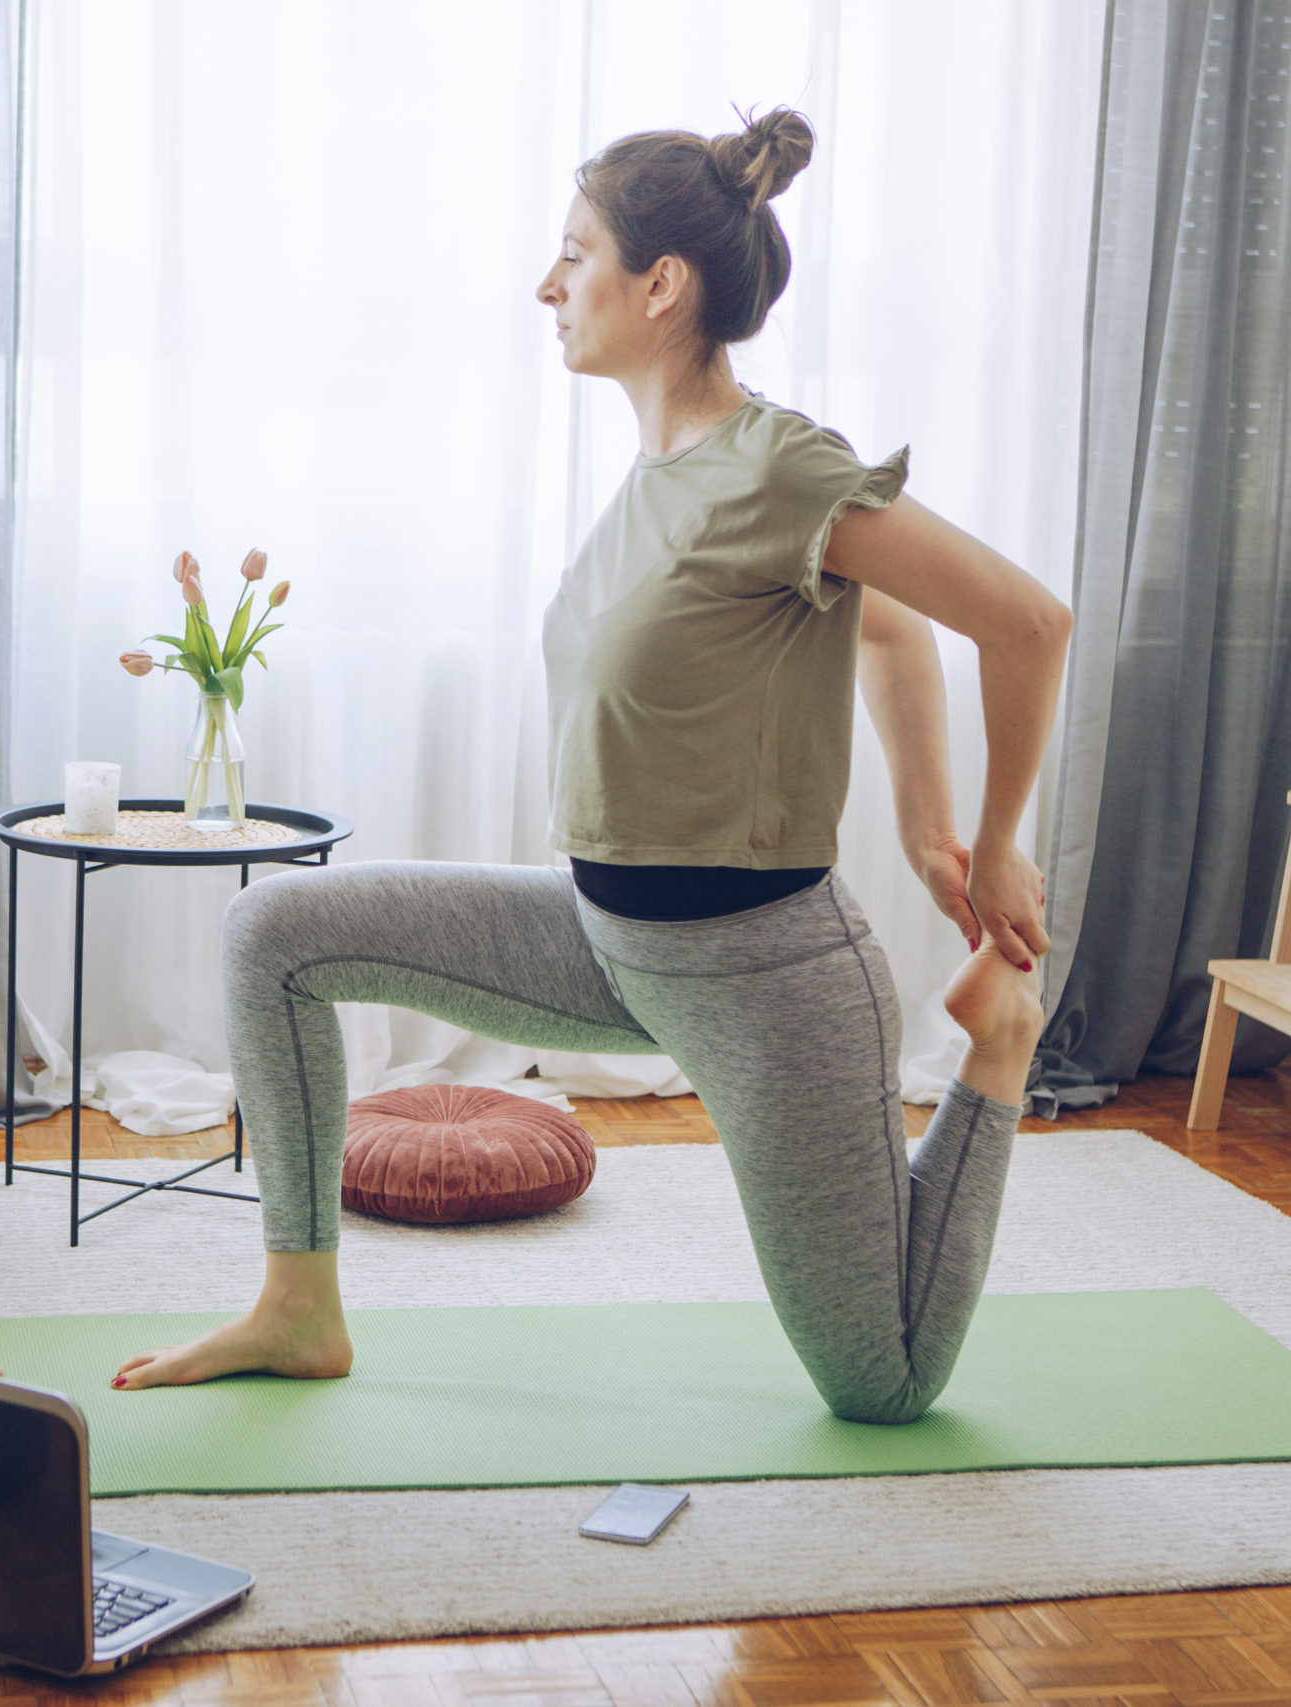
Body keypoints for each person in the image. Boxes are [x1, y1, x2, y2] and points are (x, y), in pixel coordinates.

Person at [112, 108, 1072, 1423]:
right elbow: (887, 630)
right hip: (604, 937)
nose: (548, 284)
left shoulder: (782, 465)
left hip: (765, 975)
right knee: (273, 925)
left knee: (881, 1382)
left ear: (660, 284)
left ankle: (1003, 1049)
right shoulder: (657, 473)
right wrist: (920, 823)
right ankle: (298, 1305)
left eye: (574, 254)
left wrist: (988, 837)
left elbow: (1023, 621)